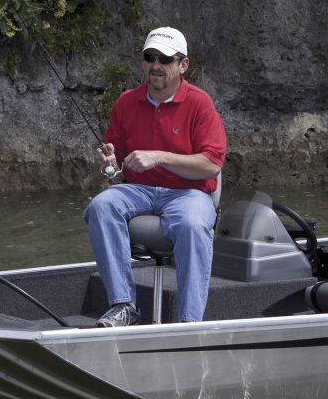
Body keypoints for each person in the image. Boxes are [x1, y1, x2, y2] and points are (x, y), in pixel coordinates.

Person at [83, 27, 227, 326]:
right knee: (101, 205)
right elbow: (113, 165)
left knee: (191, 224)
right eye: (150, 58)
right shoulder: (126, 102)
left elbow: (211, 164)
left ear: (182, 64)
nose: (156, 65)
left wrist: (159, 157)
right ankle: (124, 306)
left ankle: (190, 322)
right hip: (138, 189)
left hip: (190, 193)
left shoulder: (200, 103)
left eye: (165, 59)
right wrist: (107, 162)